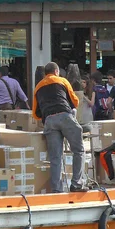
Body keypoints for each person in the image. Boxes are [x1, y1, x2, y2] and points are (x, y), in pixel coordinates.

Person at [32, 62, 86, 193]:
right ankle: (76, 184)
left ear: (45, 73)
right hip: (65, 116)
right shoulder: (62, 81)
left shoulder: (38, 87)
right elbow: (75, 102)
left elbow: (35, 113)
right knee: (78, 150)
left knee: (55, 157)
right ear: (56, 71)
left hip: (49, 121)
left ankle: (57, 190)